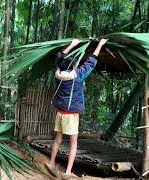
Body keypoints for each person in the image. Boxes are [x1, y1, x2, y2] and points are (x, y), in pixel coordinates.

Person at [45, 38, 108, 179]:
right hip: (71, 115)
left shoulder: (58, 74)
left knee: (58, 140)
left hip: (60, 112)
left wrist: (72, 44)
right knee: (74, 144)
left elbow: (59, 57)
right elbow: (92, 61)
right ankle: (67, 172)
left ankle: (51, 163)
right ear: (73, 66)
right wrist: (100, 44)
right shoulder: (78, 76)